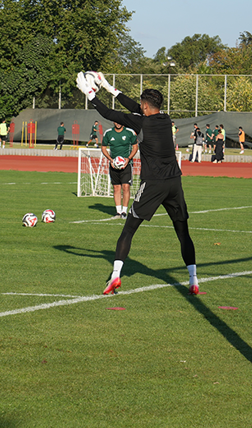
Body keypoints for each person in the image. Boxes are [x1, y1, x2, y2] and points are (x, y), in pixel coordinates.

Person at [78, 72, 198, 295]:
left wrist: (91, 95)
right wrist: (110, 88)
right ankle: (194, 280)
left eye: (141, 104)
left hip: (153, 184)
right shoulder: (165, 119)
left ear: (145, 106)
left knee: (129, 229)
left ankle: (115, 275)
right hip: (174, 182)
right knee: (183, 232)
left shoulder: (141, 123)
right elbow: (135, 107)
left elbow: (108, 113)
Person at [101, 121, 139, 219]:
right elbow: (103, 147)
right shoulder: (108, 133)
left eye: (119, 121)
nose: (118, 123)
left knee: (126, 187)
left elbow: (135, 147)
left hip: (127, 164)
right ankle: (118, 212)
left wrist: (128, 159)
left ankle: (124, 212)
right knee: (116, 188)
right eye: (116, 121)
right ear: (113, 122)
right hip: (114, 165)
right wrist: (111, 160)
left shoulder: (130, 132)